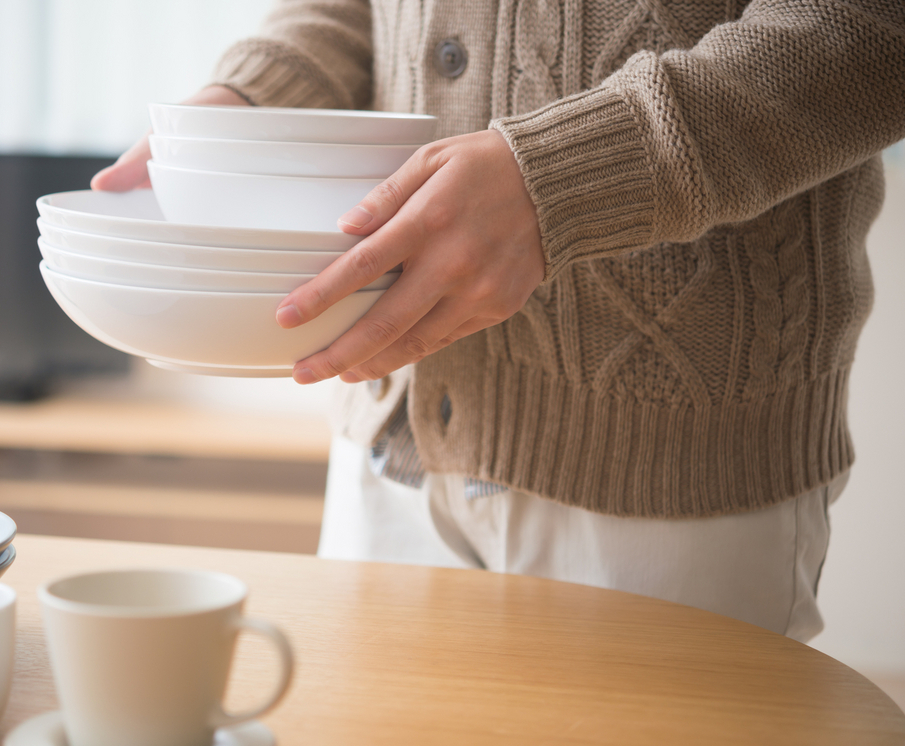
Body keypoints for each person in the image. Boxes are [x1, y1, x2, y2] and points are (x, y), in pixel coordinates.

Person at [92, 0, 905, 642]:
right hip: (390, 444)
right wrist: (252, 100)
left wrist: (563, 178)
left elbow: (872, 27)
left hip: (666, 455)